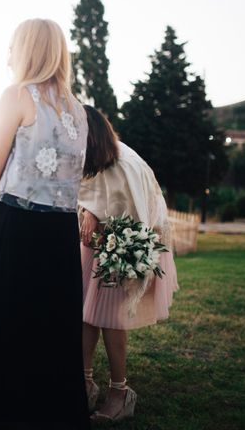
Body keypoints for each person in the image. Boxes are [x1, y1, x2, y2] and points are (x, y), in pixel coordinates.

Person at [0, 18, 91, 429]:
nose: (8, 55)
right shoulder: (77, 110)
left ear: (27, 50)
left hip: (16, 230)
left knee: (2, 326)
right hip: (59, 237)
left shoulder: (18, 95)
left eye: (12, 46)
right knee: (46, 331)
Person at [78, 105, 178, 422]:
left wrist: (103, 229)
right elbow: (90, 193)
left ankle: (121, 393)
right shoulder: (91, 161)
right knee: (84, 314)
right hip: (95, 242)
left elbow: (139, 220)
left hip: (127, 243)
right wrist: (91, 211)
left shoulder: (126, 165)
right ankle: (84, 382)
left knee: (110, 318)